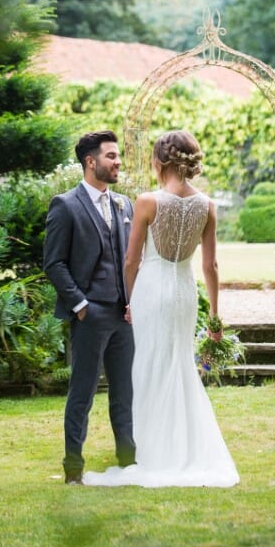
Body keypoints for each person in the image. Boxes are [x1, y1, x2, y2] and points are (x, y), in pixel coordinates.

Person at [84, 129, 239, 488]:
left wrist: (129, 300)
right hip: (185, 292)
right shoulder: (207, 205)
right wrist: (215, 318)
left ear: (159, 161)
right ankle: (183, 447)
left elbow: (130, 260)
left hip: (152, 291)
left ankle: (152, 451)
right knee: (179, 365)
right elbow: (211, 267)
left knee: (148, 365)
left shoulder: (147, 201)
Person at [43, 130, 136, 484]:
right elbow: (54, 263)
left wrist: (132, 301)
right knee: (81, 394)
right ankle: (73, 470)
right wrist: (80, 305)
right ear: (90, 161)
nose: (118, 162)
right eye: (111, 156)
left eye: (117, 156)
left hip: (122, 317)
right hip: (90, 314)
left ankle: (129, 463)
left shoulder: (124, 204)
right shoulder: (65, 205)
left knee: (124, 393)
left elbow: (130, 258)